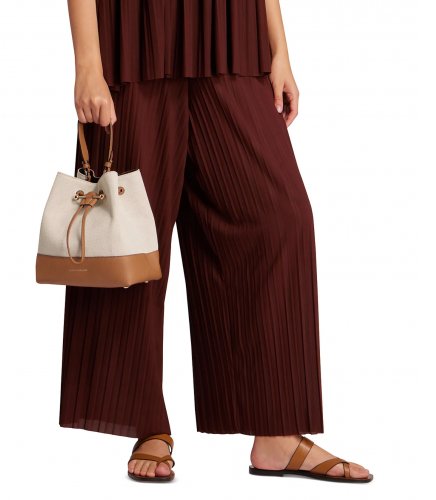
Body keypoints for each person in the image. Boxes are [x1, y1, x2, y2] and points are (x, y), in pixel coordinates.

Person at [60, 0, 373, 483]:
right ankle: (145, 422)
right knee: (132, 237)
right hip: (134, 33)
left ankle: (277, 432)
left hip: (231, 29)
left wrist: (279, 49)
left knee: (281, 218)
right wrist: (87, 62)